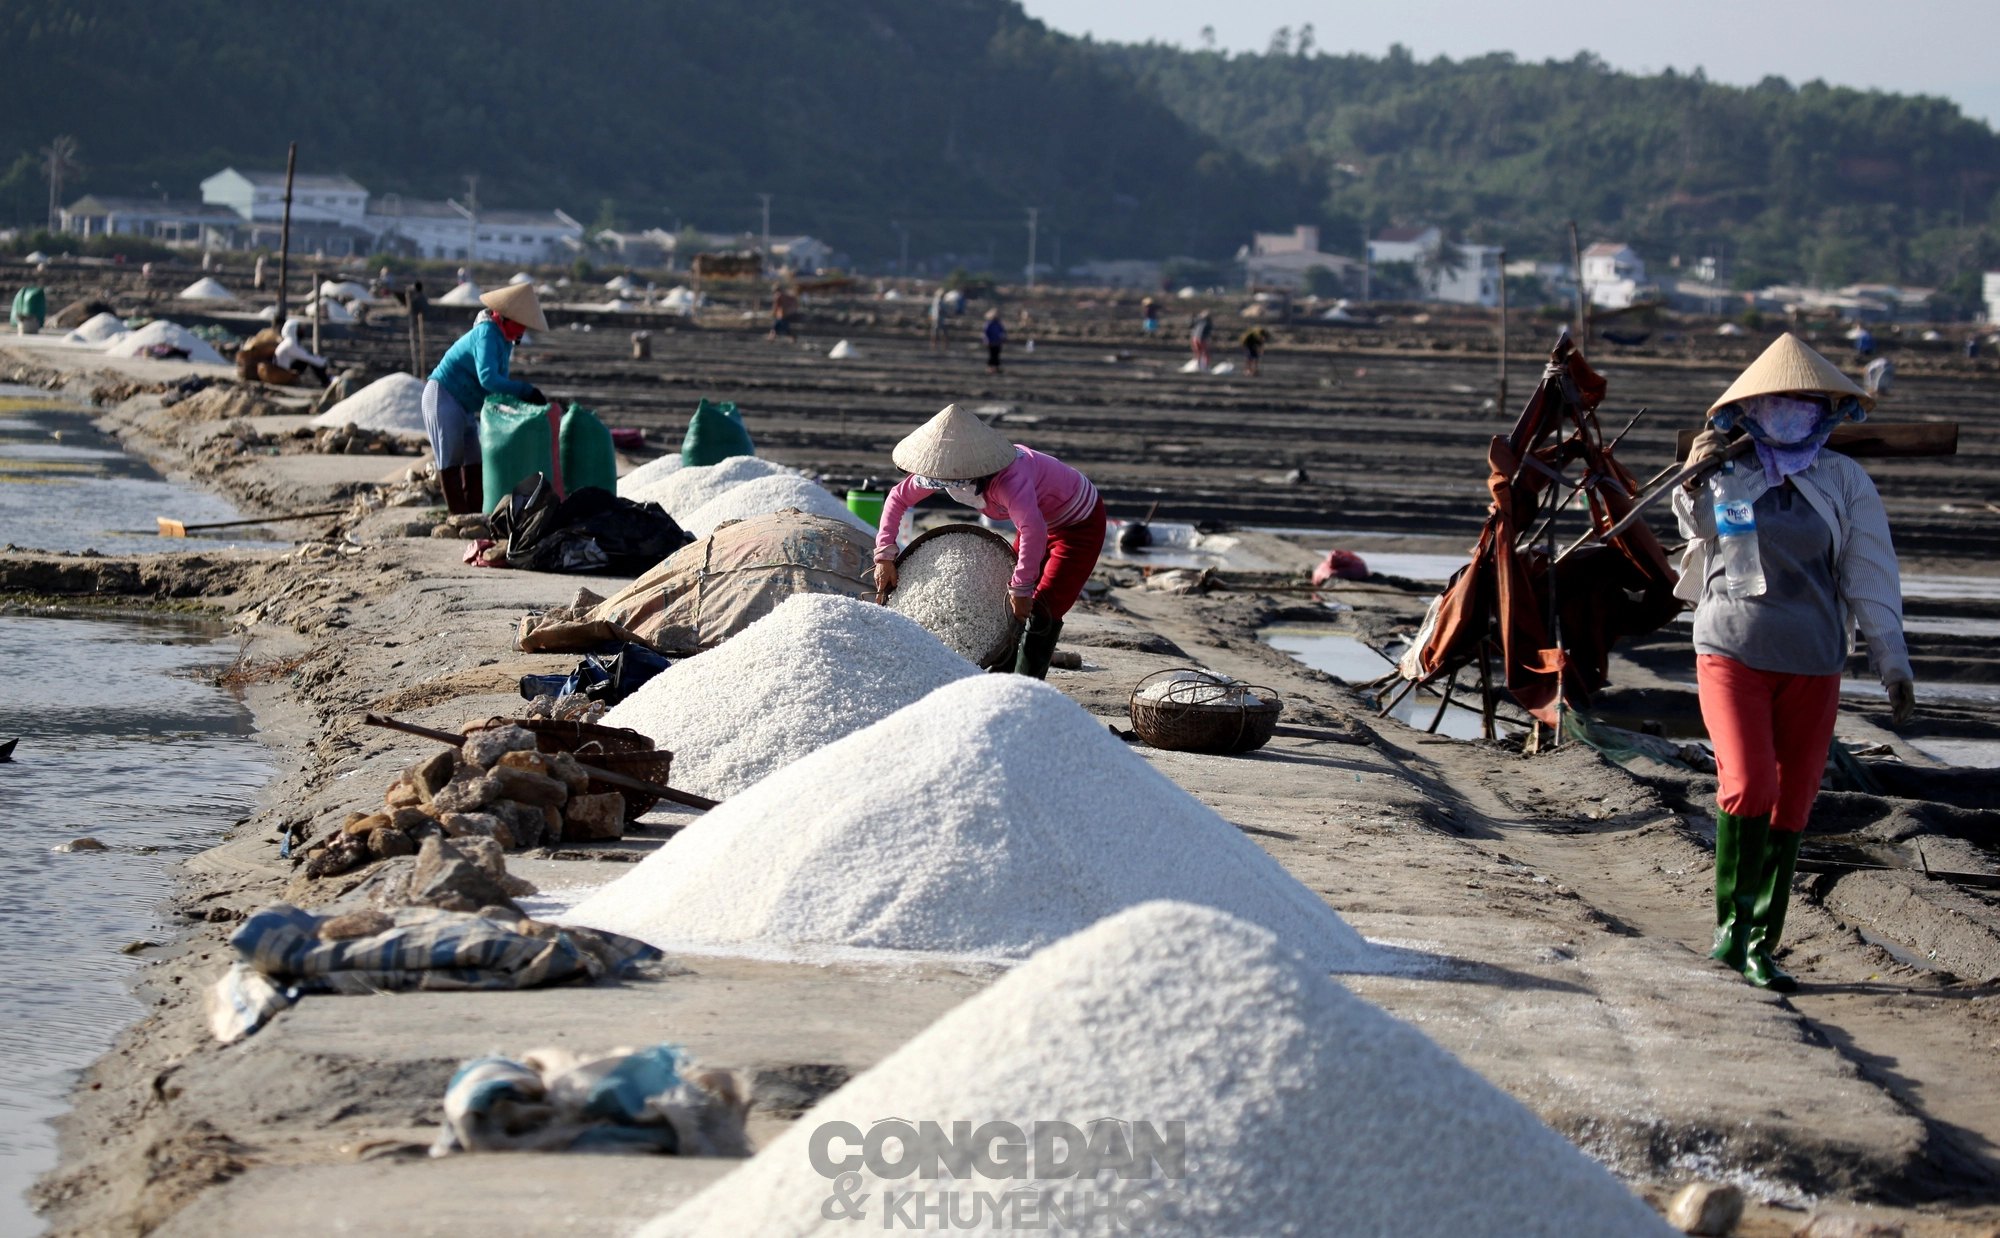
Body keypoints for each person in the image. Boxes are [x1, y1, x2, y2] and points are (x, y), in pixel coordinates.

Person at [1674, 333, 1915, 993]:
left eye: (1804, 403)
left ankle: (1759, 943)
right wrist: (1695, 476)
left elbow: (1870, 572)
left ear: (1827, 411)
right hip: (1733, 648)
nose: (1791, 412)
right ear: (1751, 409)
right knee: (1751, 786)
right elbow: (1696, 529)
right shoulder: (1727, 468)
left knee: (1793, 805)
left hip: (1812, 659)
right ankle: (1730, 927)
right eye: (1778, 401)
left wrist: (1892, 662)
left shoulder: (1843, 481)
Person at [872, 403, 1106, 679]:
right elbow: (898, 498)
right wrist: (885, 555)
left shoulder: (1010, 480)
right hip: (1039, 519)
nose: (944, 481)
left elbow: (1033, 531)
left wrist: (1021, 590)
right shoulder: (946, 470)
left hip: (1078, 524)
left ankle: (1025, 685)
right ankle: (1001, 672)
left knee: (1044, 605)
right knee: (1004, 600)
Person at [425, 283, 550, 515]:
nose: (522, 329)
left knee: (474, 459)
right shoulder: (487, 334)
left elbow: (500, 386)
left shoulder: (505, 341)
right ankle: (458, 517)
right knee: (450, 458)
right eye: (519, 323)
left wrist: (521, 405)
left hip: (465, 405)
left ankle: (475, 516)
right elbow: (488, 379)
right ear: (503, 317)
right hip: (444, 395)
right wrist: (525, 390)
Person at [265, 318, 329, 386]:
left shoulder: (288, 342)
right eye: (299, 329)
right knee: (309, 361)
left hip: (283, 369)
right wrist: (323, 362)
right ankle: (326, 381)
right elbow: (306, 357)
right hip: (282, 373)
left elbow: (304, 354)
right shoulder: (290, 344)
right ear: (294, 330)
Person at [983, 308, 1006, 373]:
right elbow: (986, 333)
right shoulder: (989, 324)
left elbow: (1002, 331)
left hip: (997, 342)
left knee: (996, 355)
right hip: (991, 342)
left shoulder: (999, 324)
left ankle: (995, 368)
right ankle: (989, 368)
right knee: (991, 355)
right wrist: (987, 340)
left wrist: (1003, 338)